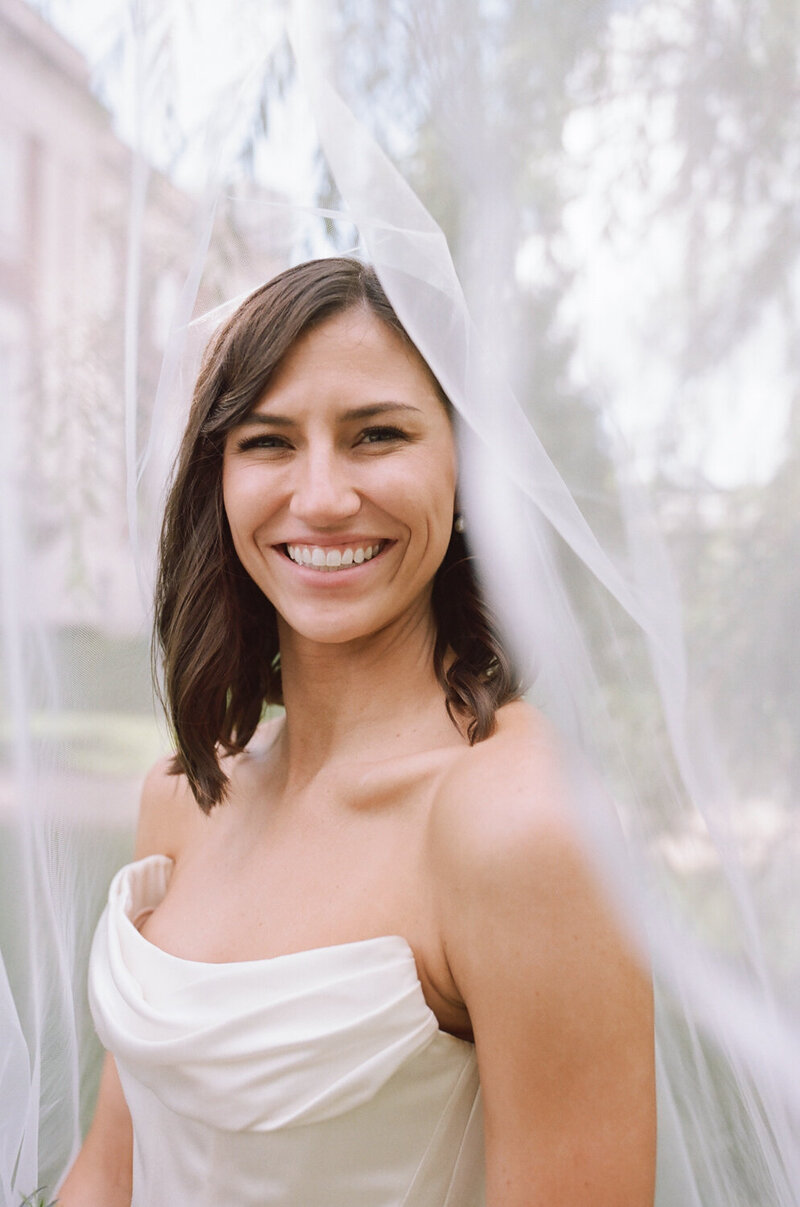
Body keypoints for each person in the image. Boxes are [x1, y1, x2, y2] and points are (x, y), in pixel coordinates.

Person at [58, 257, 656, 1207]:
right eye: (269, 441)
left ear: (464, 468)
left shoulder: (521, 826)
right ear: (220, 476)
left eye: (376, 434)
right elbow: (106, 1174)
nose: (324, 496)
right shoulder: (182, 796)